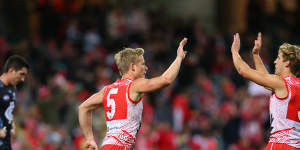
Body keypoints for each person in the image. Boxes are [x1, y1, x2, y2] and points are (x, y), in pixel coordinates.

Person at [78, 38, 188, 150]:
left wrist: (90, 139)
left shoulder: (107, 89)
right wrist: (179, 58)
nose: (146, 68)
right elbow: (166, 80)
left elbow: (83, 107)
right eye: (142, 64)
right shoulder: (134, 85)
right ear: (132, 67)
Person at [231, 33, 300, 149]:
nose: (275, 62)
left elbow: (243, 70)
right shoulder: (291, 85)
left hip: (280, 145)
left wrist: (234, 51)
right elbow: (265, 80)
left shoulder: (281, 83)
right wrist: (256, 55)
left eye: (278, 58)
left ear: (287, 62)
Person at [0, 55, 29, 150]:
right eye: (21, 74)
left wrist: (12, 124)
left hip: (6, 142)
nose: (23, 79)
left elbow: (8, 111)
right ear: (11, 70)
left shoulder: (12, 88)